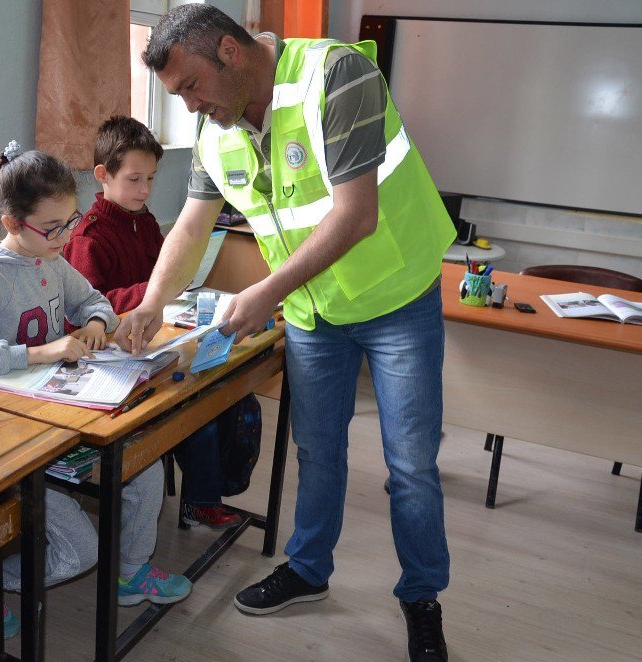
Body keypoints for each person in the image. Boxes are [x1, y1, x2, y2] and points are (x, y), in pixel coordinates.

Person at [116, 6, 457, 661]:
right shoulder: (217, 130)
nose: (189, 107)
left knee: (410, 467)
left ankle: (421, 598)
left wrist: (263, 292)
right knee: (317, 452)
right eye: (177, 94)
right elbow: (191, 228)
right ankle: (308, 569)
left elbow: (356, 216)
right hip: (314, 312)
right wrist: (154, 302)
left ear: (231, 52)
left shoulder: (338, 74)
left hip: (395, 299)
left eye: (191, 86)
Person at [0, 142, 191, 638]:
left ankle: (132, 574)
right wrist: (38, 354)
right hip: (13, 442)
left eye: (72, 222)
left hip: (62, 422)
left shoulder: (51, 258)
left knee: (144, 468)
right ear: (12, 223)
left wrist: (97, 319)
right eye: (54, 228)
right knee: (81, 552)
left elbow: (92, 298)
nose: (66, 236)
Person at [63, 115, 250, 529]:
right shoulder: (87, 239)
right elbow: (89, 308)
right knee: (192, 412)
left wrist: (171, 291)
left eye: (150, 178)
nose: (145, 190)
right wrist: (152, 295)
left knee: (228, 398)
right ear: (102, 175)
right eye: (134, 179)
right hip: (111, 360)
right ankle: (199, 503)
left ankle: (203, 496)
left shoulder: (144, 221)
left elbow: (168, 275)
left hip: (154, 343)